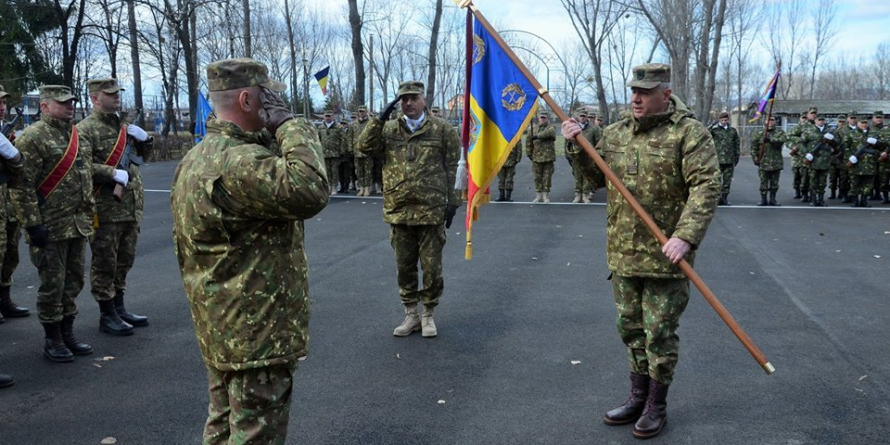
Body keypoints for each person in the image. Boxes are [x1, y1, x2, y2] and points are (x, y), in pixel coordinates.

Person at [171, 58, 329, 444]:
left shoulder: (201, 156)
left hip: (224, 326)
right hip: (254, 333)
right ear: (246, 99)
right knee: (256, 433)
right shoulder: (239, 162)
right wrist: (290, 124)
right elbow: (310, 189)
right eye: (269, 97)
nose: (275, 102)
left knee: (224, 426)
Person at [562, 63, 720, 439]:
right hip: (624, 253)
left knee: (659, 333)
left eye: (645, 92)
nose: (636, 98)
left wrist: (686, 235)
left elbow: (706, 187)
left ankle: (657, 405)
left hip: (667, 255)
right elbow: (596, 177)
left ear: (665, 94)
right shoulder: (616, 133)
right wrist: (577, 146)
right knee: (630, 329)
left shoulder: (690, 134)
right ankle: (637, 396)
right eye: (634, 90)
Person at [357, 80, 462, 338]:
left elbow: (454, 167)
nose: (408, 103)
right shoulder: (389, 129)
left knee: (432, 268)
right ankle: (411, 314)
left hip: (431, 208)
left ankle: (428, 314)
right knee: (404, 267)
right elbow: (364, 147)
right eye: (403, 99)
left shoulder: (442, 129)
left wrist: (454, 201)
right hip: (400, 208)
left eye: (413, 98)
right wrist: (378, 120)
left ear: (424, 100)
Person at [10, 85, 101, 363]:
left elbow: (85, 177)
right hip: (50, 226)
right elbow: (21, 186)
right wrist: (32, 224)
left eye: (71, 101)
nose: (70, 106)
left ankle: (67, 331)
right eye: (63, 102)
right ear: (45, 106)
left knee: (73, 282)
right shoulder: (34, 137)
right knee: (52, 284)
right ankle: (53, 338)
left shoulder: (77, 135)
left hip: (77, 223)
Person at [77, 78, 152, 336]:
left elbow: (142, 158)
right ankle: (106, 313)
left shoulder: (125, 127)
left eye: (117, 92)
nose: (116, 97)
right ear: (95, 98)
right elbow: (82, 166)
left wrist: (145, 139)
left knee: (124, 260)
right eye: (109, 94)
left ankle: (120, 307)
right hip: (105, 208)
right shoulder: (84, 129)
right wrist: (111, 173)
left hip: (130, 206)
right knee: (105, 262)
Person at [0, 83, 29, 322]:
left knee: (10, 252)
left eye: (3, 102)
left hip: (8, 203)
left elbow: (19, 172)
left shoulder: (5, 134)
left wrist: (15, 154)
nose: (2, 107)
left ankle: (4, 299)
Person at [565, 111, 601, 203]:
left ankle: (585, 194)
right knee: (577, 176)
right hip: (576, 155)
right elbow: (567, 142)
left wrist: (597, 155)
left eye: (584, 116)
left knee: (587, 176)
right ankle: (578, 194)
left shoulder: (593, 128)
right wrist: (568, 155)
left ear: (586, 117)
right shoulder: (574, 128)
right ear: (578, 117)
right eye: (581, 116)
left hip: (588, 156)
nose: (582, 118)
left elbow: (598, 142)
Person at [750, 116, 787, 206]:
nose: (770, 122)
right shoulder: (759, 133)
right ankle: (763, 199)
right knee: (763, 182)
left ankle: (773, 199)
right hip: (763, 162)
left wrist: (770, 140)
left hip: (776, 162)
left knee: (774, 183)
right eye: (768, 120)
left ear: (775, 122)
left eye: (772, 120)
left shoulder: (779, 132)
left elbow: (781, 141)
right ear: (765, 121)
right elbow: (754, 147)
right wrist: (755, 158)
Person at [709, 111, 740, 206]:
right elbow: (705, 133)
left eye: (725, 120)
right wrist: (711, 125)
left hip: (729, 160)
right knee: (717, 180)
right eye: (722, 120)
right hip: (718, 159)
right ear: (719, 120)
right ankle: (717, 199)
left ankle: (725, 198)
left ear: (728, 120)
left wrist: (736, 156)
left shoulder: (732, 131)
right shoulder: (715, 130)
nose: (723, 121)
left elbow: (736, 144)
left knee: (727, 180)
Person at [527, 112, 556, 203]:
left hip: (548, 157)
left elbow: (550, 134)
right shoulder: (533, 129)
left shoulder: (551, 128)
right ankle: (538, 195)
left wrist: (537, 136)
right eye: (541, 117)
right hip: (536, 157)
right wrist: (529, 154)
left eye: (544, 118)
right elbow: (528, 142)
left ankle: (545, 196)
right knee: (537, 177)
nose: (542, 119)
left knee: (547, 178)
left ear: (547, 118)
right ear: (538, 118)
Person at [804, 132, 838, 207]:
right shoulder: (817, 144)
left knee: (822, 184)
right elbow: (809, 150)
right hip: (814, 166)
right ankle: (813, 200)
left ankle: (821, 200)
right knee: (813, 183)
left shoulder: (830, 146)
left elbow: (835, 147)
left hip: (824, 166)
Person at [320, 110, 344, 196]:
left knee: (334, 171)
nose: (327, 118)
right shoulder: (321, 127)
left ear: (332, 116)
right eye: (326, 116)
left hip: (335, 152)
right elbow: (318, 140)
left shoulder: (338, 127)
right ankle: (328, 186)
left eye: (329, 116)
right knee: (327, 171)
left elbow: (343, 139)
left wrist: (342, 151)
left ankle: (334, 186)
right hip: (324, 152)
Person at [352, 106, 373, 196]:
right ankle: (361, 188)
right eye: (360, 111)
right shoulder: (354, 124)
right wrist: (350, 148)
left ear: (366, 112)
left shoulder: (371, 122)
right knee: (359, 170)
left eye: (363, 111)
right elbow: (350, 136)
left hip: (367, 150)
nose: (361, 113)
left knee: (368, 170)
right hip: (357, 150)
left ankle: (367, 188)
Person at [495, 138, 522, 202]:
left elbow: (519, 147)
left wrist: (517, 159)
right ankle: (501, 195)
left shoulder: (514, 133)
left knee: (509, 179)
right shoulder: (500, 132)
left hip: (511, 161)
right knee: (501, 179)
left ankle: (508, 195)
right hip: (500, 161)